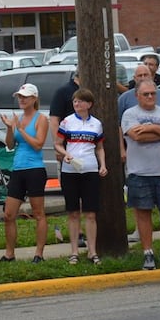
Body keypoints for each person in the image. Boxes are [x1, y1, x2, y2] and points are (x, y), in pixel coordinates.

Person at [120, 78, 160, 270]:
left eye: (153, 94)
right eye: (146, 94)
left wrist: (151, 127)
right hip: (139, 172)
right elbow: (137, 137)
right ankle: (148, 253)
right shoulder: (129, 114)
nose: (150, 97)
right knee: (143, 214)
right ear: (137, 95)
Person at [56, 88, 107, 264]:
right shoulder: (67, 122)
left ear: (89, 104)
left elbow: (99, 147)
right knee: (73, 212)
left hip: (90, 169)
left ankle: (92, 251)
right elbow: (58, 144)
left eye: (80, 101)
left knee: (91, 213)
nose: (76, 104)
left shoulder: (97, 124)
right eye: (75, 101)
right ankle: (74, 252)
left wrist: (103, 165)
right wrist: (65, 154)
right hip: (70, 170)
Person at [0, 83, 49, 263]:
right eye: (20, 97)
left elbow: (38, 144)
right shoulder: (18, 118)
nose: (21, 100)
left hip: (34, 168)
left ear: (34, 99)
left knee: (38, 213)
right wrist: (9, 128)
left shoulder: (40, 118)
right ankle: (9, 253)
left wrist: (20, 129)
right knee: (8, 214)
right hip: (18, 168)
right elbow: (11, 145)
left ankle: (39, 253)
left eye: (25, 97)